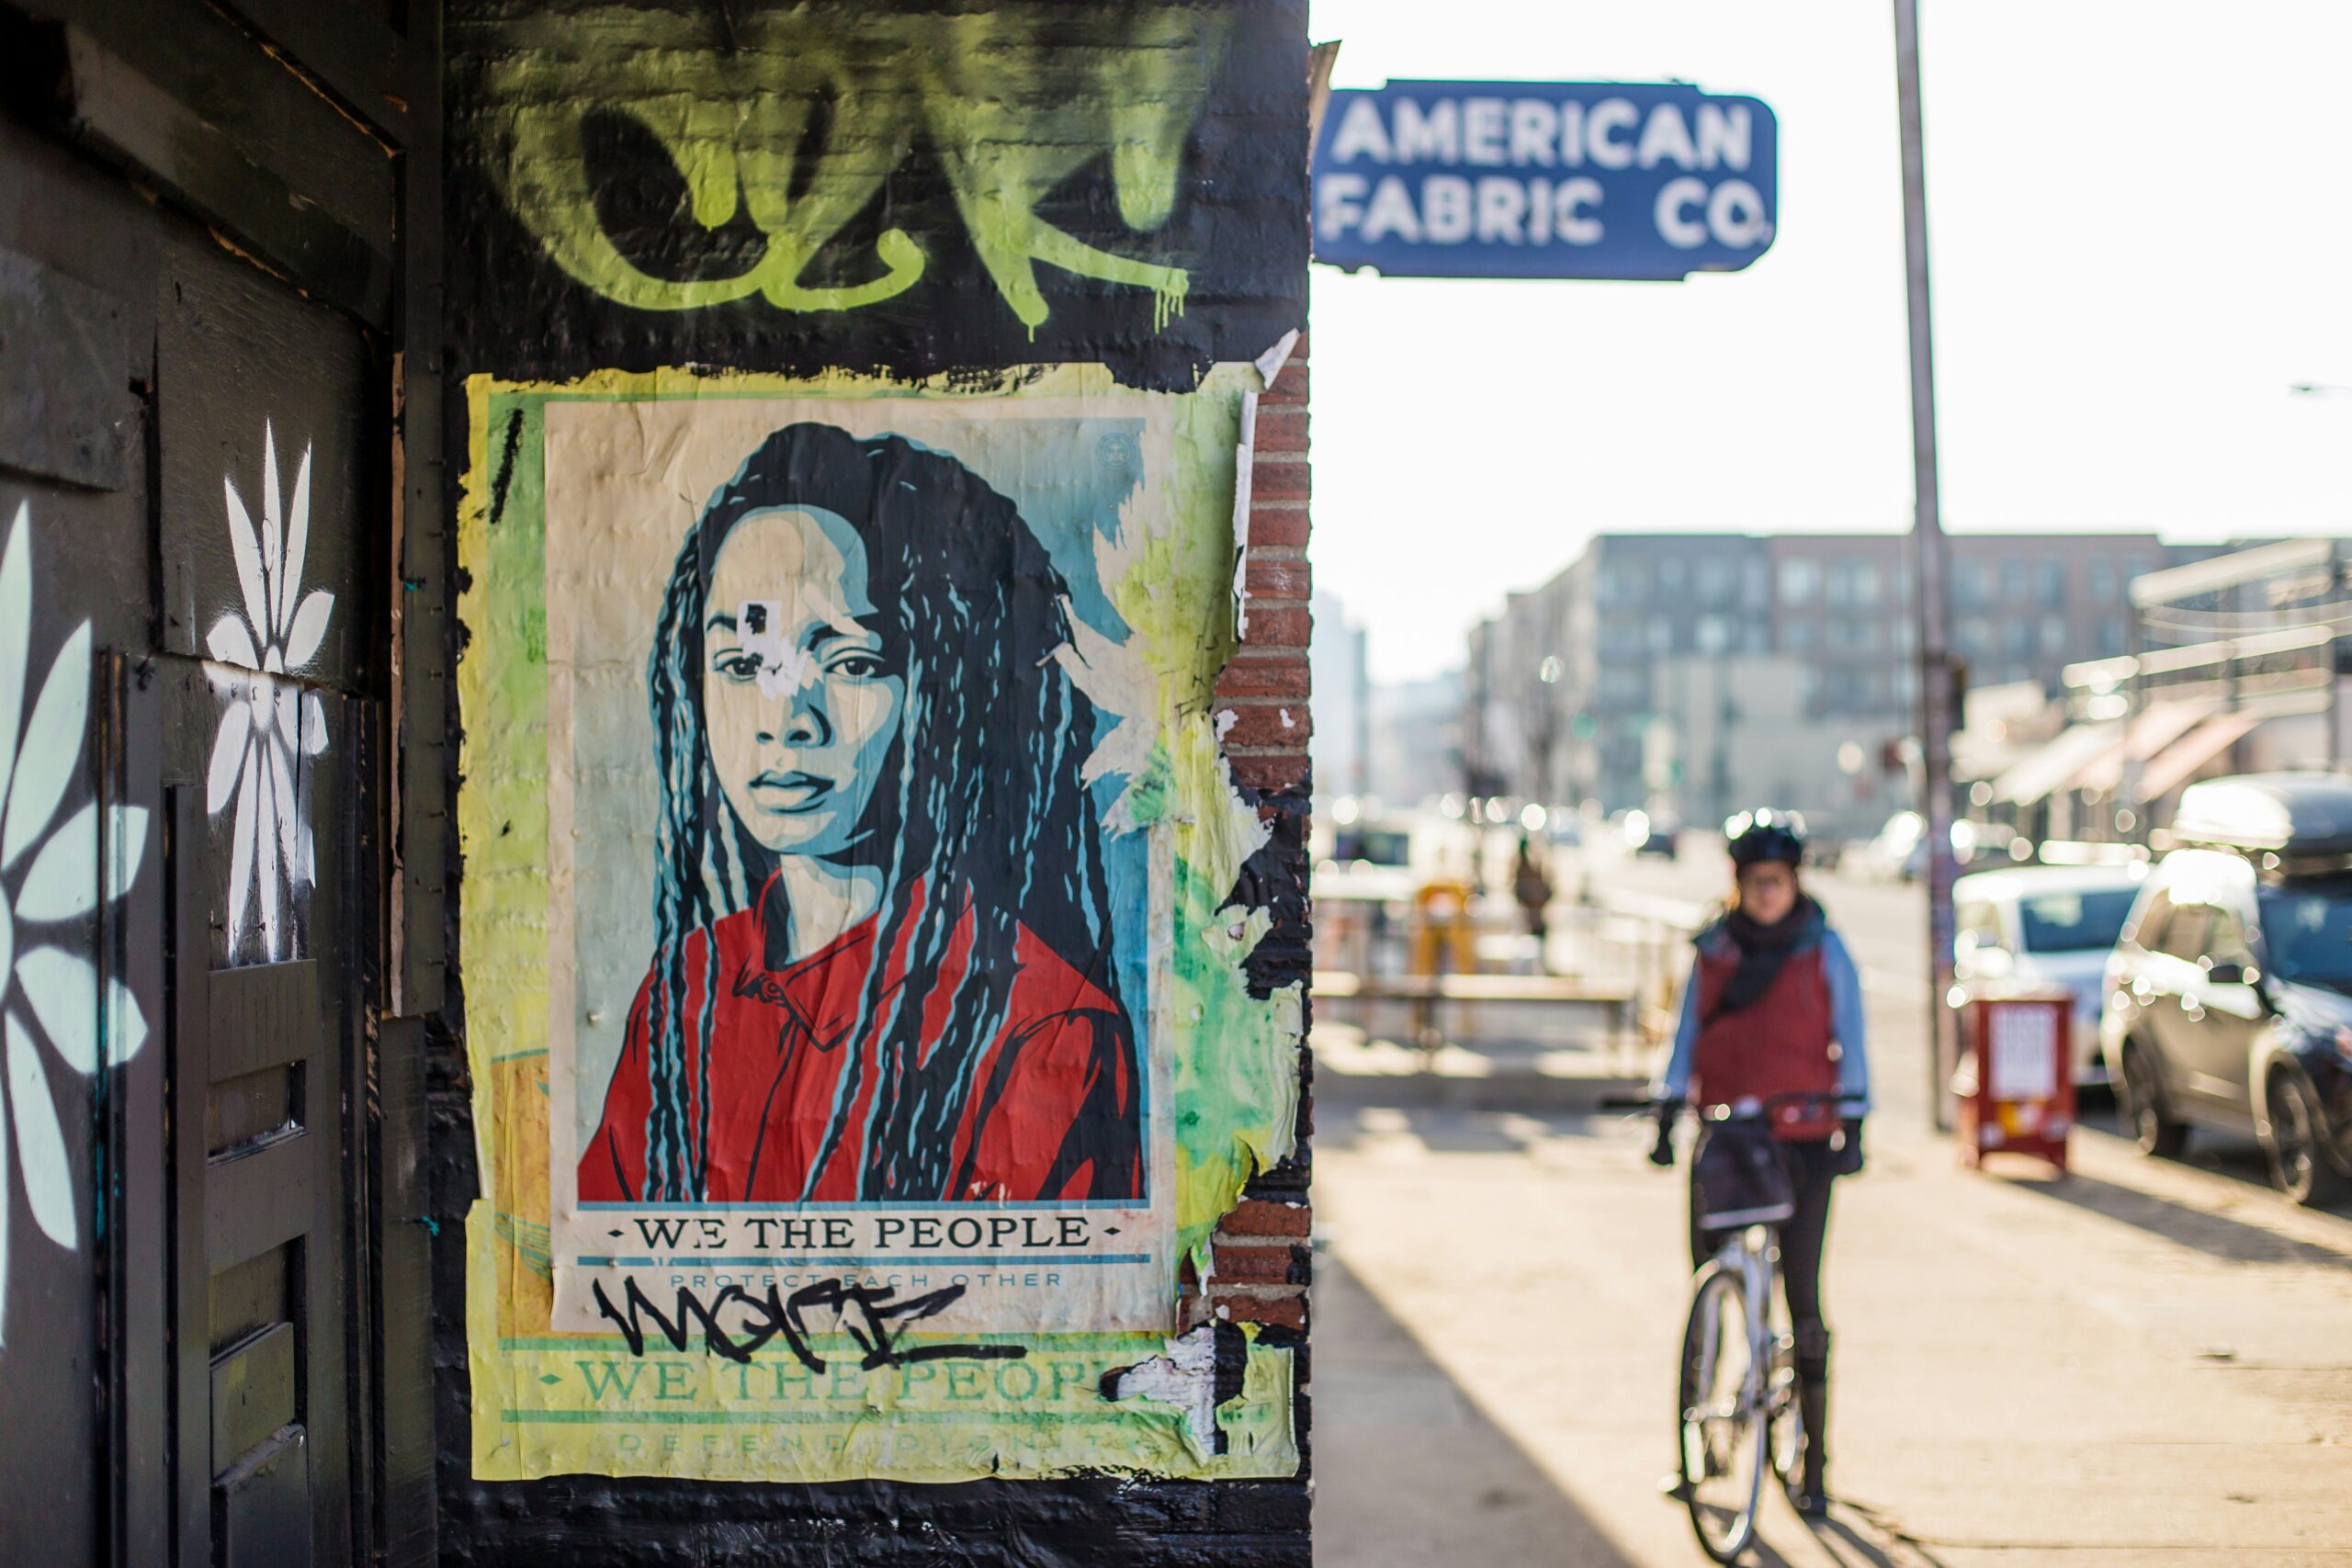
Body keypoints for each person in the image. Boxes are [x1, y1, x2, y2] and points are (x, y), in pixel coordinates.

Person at [578, 423, 1143, 1207]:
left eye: (847, 661)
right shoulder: (685, 993)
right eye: (742, 664)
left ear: (940, 690)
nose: (786, 718)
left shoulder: (1046, 1030)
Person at [1650, 808, 1868, 1517]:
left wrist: (1855, 1122)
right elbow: (1685, 1035)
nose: (1767, 893)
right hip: (1728, 1134)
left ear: (1796, 880)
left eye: (1777, 880)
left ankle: (1815, 1465)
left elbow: (1851, 1037)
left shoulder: (1824, 948)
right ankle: (1695, 1440)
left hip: (1803, 1139)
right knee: (1705, 1282)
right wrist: (1666, 1106)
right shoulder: (1714, 949)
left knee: (1802, 1293)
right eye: (1754, 881)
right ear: (1737, 882)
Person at [1510, 831, 1555, 971]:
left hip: (1534, 916)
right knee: (1529, 946)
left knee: (1534, 946)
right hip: (1531, 916)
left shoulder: (1526, 868)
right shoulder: (1524, 869)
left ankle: (1537, 968)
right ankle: (1532, 968)